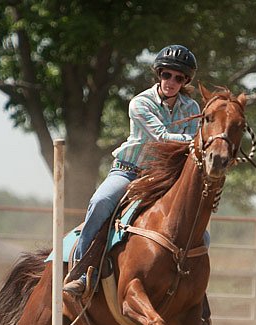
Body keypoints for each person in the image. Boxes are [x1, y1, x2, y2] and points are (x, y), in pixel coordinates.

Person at [63, 44, 201, 299]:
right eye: (167, 74)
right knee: (101, 201)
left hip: (167, 177)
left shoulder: (192, 108)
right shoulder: (141, 103)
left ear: (185, 81)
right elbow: (161, 137)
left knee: (200, 231)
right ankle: (81, 272)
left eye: (178, 77)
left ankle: (194, 290)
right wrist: (199, 141)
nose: (171, 81)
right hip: (129, 171)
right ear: (159, 74)